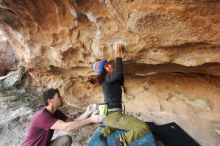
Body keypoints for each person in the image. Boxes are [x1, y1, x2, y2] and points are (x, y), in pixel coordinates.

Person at [91, 44, 155, 146]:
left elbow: (120, 80)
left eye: (109, 64)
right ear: (104, 71)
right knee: (143, 126)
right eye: (107, 66)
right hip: (113, 116)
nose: (110, 65)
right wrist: (118, 54)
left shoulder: (108, 80)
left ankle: (104, 133)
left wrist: (118, 71)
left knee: (116, 124)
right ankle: (122, 141)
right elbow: (118, 74)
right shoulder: (107, 78)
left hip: (108, 117)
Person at [21, 88, 105, 146]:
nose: (62, 98)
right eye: (59, 96)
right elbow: (66, 128)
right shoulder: (41, 116)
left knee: (65, 140)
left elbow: (71, 123)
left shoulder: (56, 112)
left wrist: (87, 113)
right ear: (51, 101)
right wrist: (91, 119)